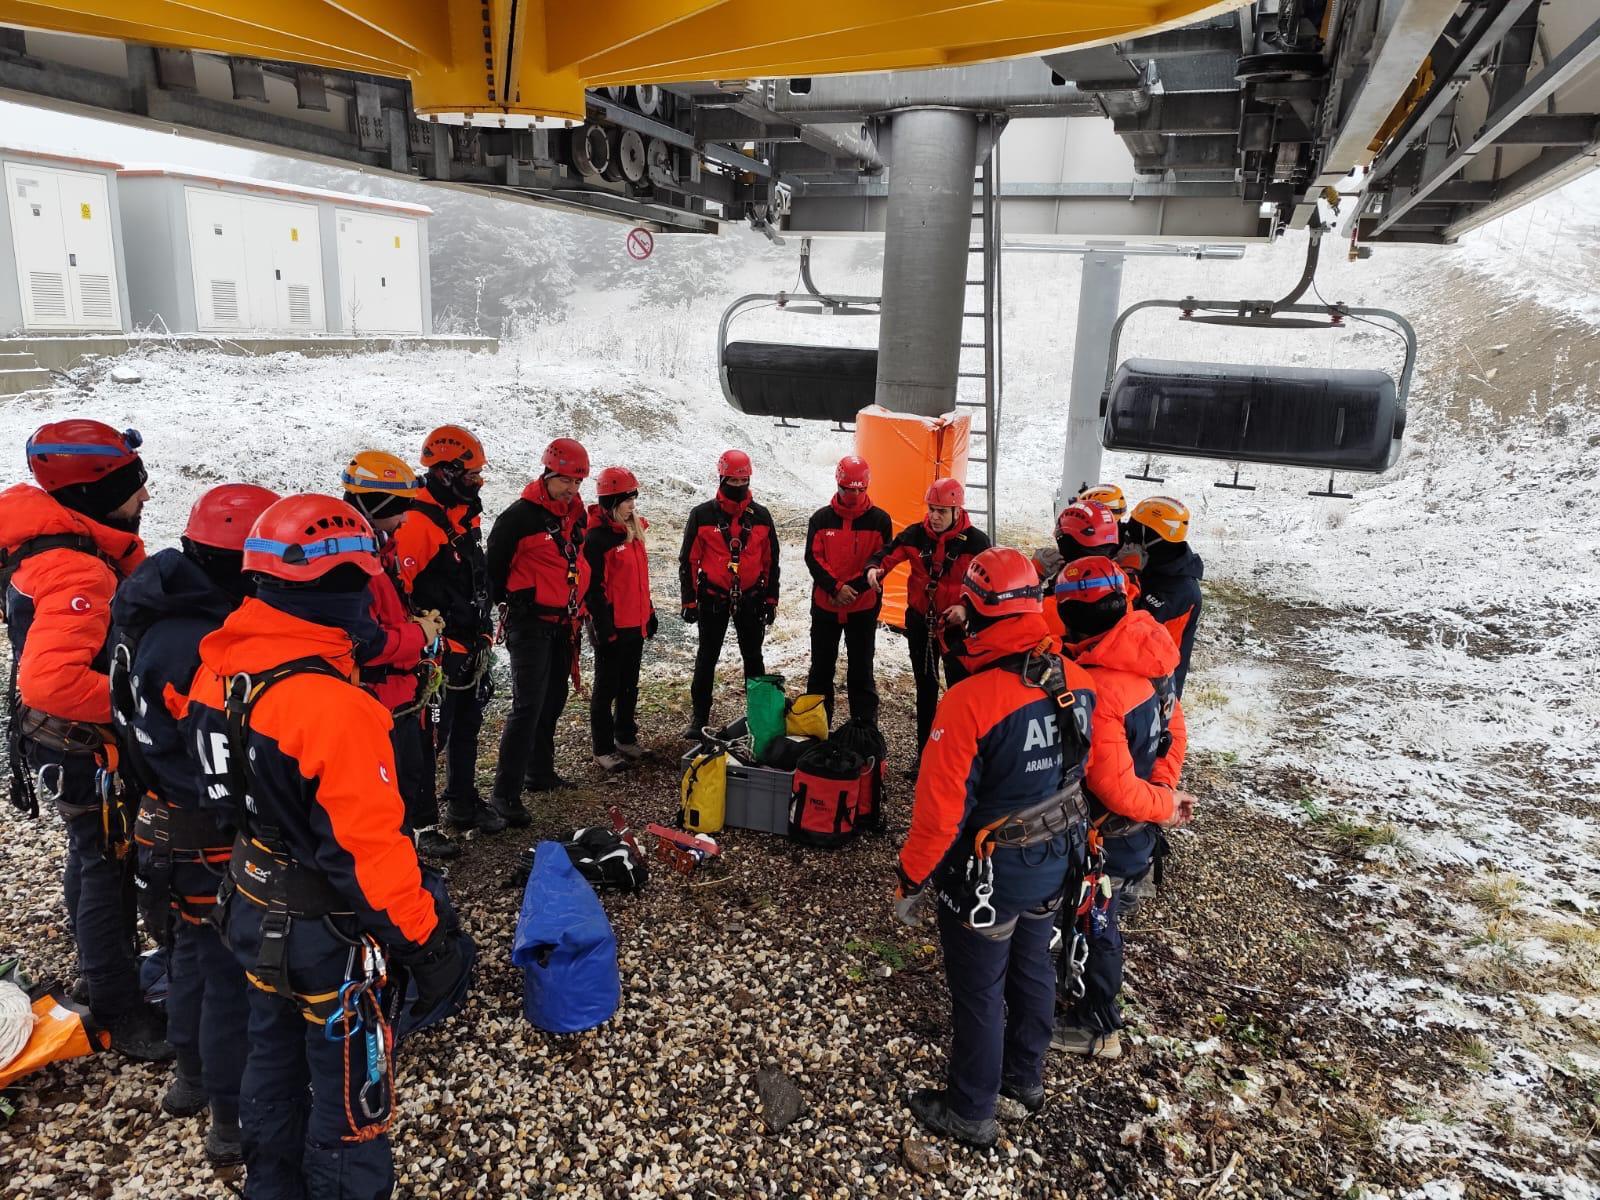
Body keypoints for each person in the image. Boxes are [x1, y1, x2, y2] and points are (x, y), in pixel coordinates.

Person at [183, 493, 473, 1199]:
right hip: (324, 938)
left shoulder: (219, 668)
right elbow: (372, 861)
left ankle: (271, 1186)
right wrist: (432, 949)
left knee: (272, 1064)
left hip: (248, 906)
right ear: (347, 590)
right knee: (352, 1106)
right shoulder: (336, 711)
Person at [895, 547, 1097, 1147]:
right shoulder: (1076, 682)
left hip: (988, 879)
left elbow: (938, 817)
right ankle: (1023, 1081)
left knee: (980, 992)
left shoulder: (967, 707)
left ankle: (971, 1110)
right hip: (1056, 858)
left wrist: (910, 878)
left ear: (980, 611)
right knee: (1033, 969)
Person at [112, 482, 278, 1161]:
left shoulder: (155, 609)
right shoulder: (199, 641)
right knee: (228, 971)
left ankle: (190, 1076)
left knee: (188, 953)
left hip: (161, 816)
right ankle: (231, 1118)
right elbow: (210, 745)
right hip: (200, 826)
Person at [0, 420, 168, 1059]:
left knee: (92, 857)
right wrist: (142, 707)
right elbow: (51, 681)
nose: (146, 495)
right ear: (99, 493)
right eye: (136, 485)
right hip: (82, 746)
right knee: (107, 865)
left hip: (58, 743)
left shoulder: (46, 546)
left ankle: (104, 974)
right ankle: (121, 1010)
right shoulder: (78, 569)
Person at [1051, 555, 1192, 1060]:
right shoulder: (1151, 652)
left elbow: (1113, 790)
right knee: (1101, 921)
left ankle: (1096, 1027)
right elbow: (1173, 732)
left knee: (1096, 924)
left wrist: (1162, 803)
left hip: (1110, 835)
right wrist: (1164, 788)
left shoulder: (1101, 684)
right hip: (1135, 832)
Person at [390, 426, 503, 835]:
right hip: (438, 653)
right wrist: (423, 641)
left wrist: (486, 627)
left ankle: (462, 802)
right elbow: (398, 593)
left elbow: (474, 579)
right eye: (471, 475)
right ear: (445, 473)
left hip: (469, 645)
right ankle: (420, 825)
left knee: (467, 728)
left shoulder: (461, 518)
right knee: (429, 737)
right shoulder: (418, 524)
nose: (478, 482)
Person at [341, 452, 452, 858]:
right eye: (401, 509)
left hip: (400, 694)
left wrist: (413, 621)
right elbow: (365, 644)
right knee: (391, 793)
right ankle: (395, 867)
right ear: (377, 505)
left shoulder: (373, 552)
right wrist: (416, 633)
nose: (407, 519)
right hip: (382, 699)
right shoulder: (351, 565)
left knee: (409, 778)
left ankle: (402, 859)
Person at [485, 437, 590, 818]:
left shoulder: (575, 514)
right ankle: (504, 795)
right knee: (527, 707)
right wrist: (497, 608)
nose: (572, 489)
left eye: (578, 483)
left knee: (552, 701)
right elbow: (492, 570)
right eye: (566, 481)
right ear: (547, 474)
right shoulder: (519, 516)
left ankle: (539, 772)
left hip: (563, 621)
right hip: (529, 623)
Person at [865, 477, 989, 765]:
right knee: (926, 690)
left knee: (961, 694)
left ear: (957, 511)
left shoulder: (977, 543)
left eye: (941, 511)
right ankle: (925, 756)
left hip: (958, 629)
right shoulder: (915, 535)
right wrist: (874, 570)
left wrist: (967, 610)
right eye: (932, 509)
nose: (934, 516)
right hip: (922, 623)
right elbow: (887, 554)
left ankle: (960, 757)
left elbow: (992, 584)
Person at [678, 449, 780, 738]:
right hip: (713, 596)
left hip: (751, 597)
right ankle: (699, 719)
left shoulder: (761, 516)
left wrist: (771, 599)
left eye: (743, 481)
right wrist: (689, 599)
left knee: (754, 658)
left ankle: (759, 718)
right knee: (706, 658)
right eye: (732, 482)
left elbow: (771, 560)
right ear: (721, 479)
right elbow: (689, 560)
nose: (738, 487)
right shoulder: (701, 515)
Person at [804, 455, 893, 726]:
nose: (854, 495)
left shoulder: (880, 520)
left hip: (862, 607)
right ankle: (815, 730)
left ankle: (863, 731)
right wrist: (834, 587)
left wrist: (849, 590)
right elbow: (812, 557)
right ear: (838, 484)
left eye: (859, 489)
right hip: (826, 607)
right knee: (820, 670)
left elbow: (882, 562)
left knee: (861, 672)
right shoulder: (821, 519)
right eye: (848, 489)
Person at [583, 466, 657, 772]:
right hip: (613, 625)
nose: (632, 503)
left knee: (629, 685)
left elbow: (639, 580)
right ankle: (603, 747)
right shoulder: (598, 539)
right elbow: (593, 587)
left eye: (634, 497)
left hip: (635, 623)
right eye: (627, 498)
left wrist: (649, 611)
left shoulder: (634, 532)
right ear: (610, 501)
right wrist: (603, 625)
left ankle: (625, 737)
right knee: (606, 687)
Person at [1121, 496, 1204, 697]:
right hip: (1135, 677)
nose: (1127, 535)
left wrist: (1129, 574)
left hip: (1156, 691)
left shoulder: (1180, 591)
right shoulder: (1154, 563)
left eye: (1134, 529)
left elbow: (1130, 629)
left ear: (1151, 536)